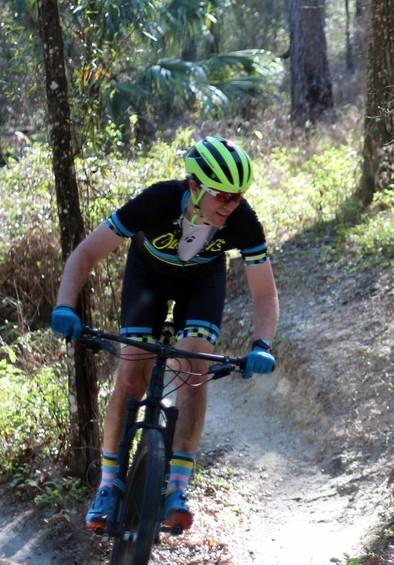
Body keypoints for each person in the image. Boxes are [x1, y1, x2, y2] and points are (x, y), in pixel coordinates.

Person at [50, 135, 279, 533]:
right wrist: (64, 306)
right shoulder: (156, 200)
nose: (232, 205)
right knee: (131, 373)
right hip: (147, 280)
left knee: (193, 370)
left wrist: (262, 344)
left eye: (238, 196)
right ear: (194, 186)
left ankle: (177, 488)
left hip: (202, 285)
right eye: (223, 196)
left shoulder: (242, 221)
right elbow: (85, 254)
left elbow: (264, 291)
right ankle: (108, 485)